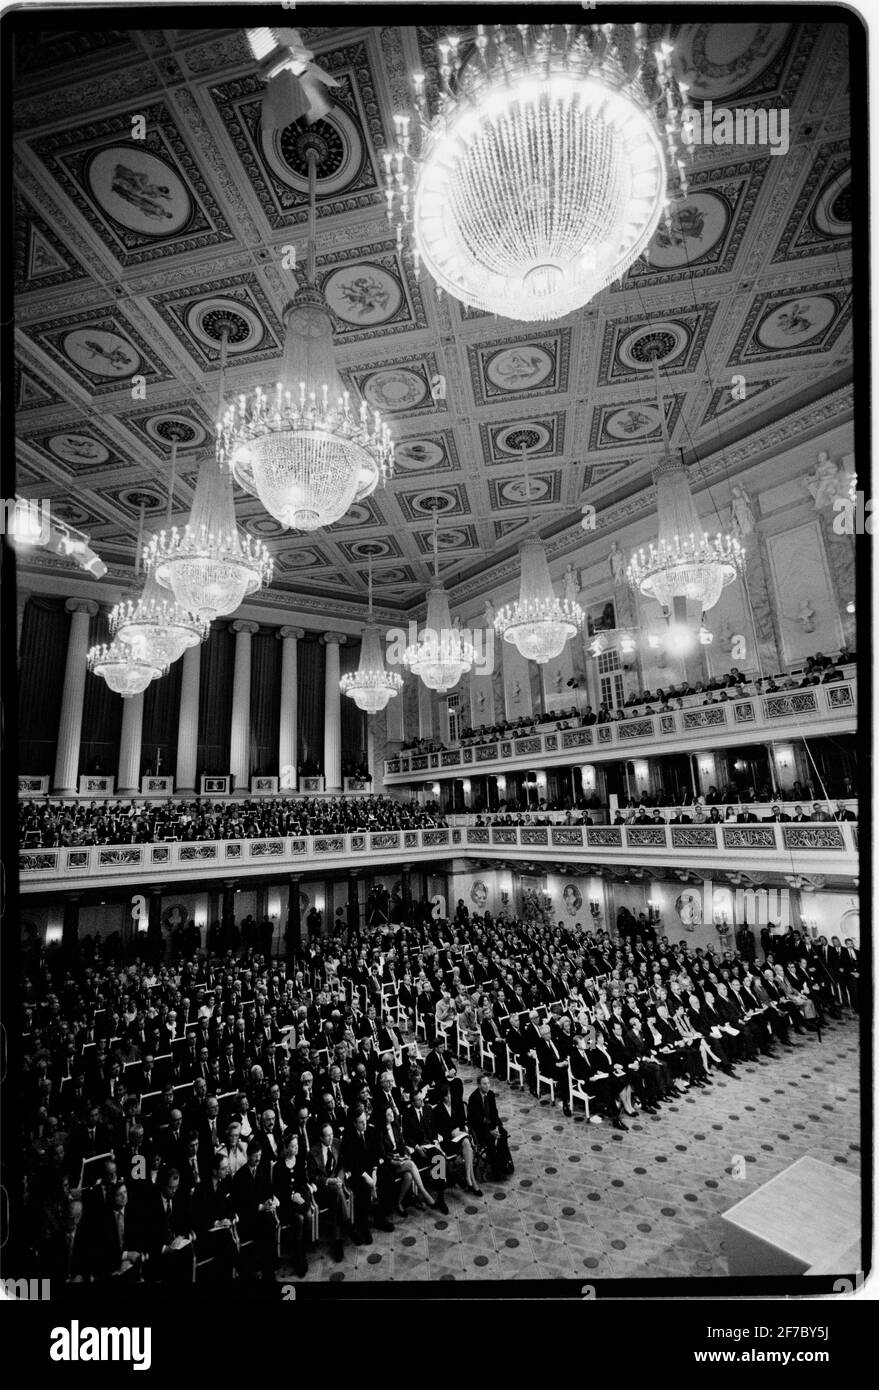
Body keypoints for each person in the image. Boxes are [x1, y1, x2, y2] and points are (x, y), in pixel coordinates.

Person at [341, 1108, 392, 1244]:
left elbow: (376, 1153)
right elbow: (352, 1162)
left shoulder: (371, 1130)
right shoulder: (348, 1136)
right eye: (360, 1122)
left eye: (365, 1121)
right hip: (357, 1173)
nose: (364, 1124)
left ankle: (379, 1218)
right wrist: (366, 1176)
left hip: (371, 1168)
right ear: (354, 1123)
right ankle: (363, 1227)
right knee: (363, 1189)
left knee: (385, 1177)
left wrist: (374, 1171)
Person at [376, 1103, 436, 1215]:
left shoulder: (395, 1126)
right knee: (412, 1165)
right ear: (383, 1117)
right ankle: (424, 1193)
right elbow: (382, 1153)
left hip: (401, 1158)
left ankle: (399, 1203)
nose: (392, 1115)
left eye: (391, 1113)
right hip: (389, 1163)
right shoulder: (379, 1131)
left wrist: (406, 1153)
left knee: (408, 1176)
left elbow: (402, 1144)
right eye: (388, 1114)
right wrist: (394, 1159)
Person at [306, 1121, 348, 1263]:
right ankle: (348, 1223)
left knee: (337, 1195)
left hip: (337, 1185)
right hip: (322, 1190)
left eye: (332, 1134)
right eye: (327, 1136)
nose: (331, 1138)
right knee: (337, 1191)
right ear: (321, 1138)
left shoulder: (337, 1143)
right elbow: (313, 1177)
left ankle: (338, 1241)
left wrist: (340, 1179)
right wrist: (330, 1181)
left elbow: (342, 1165)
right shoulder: (313, 1152)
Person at [432, 1083, 482, 1196]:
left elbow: (462, 1120)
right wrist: (451, 1132)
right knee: (467, 1142)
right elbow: (437, 1129)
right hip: (447, 1141)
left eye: (449, 1094)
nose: (449, 1097)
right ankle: (472, 1181)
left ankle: (470, 1179)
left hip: (459, 1136)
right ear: (443, 1097)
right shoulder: (437, 1110)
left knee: (466, 1142)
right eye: (447, 1095)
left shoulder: (456, 1104)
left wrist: (458, 1129)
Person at [466, 1074, 511, 1180]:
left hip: (491, 1124)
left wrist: (495, 1127)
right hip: (479, 1128)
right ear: (479, 1085)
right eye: (484, 1084)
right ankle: (495, 1171)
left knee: (503, 1134)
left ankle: (503, 1164)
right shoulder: (474, 1098)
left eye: (488, 1083)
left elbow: (494, 1112)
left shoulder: (490, 1094)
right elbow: (476, 1121)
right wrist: (490, 1131)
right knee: (490, 1139)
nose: (487, 1086)